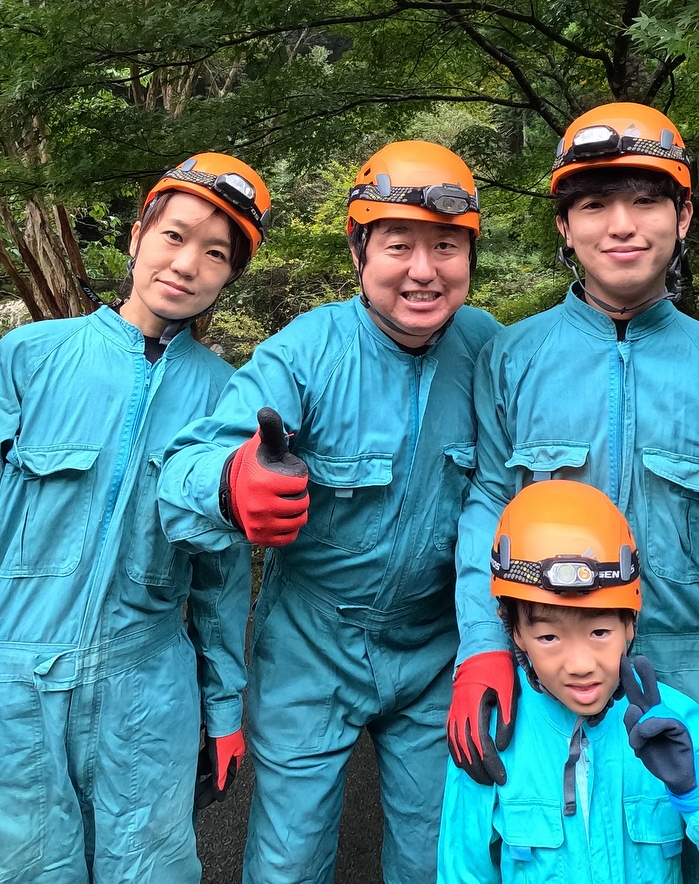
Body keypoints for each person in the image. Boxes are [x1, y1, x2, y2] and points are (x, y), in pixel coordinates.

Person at [0, 154, 270, 884]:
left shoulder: (226, 395)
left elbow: (219, 575)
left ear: (229, 276)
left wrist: (224, 704)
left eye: (216, 254)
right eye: (175, 236)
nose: (187, 264)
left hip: (148, 699)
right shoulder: (30, 357)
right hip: (0, 703)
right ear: (138, 233)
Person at [159, 140, 502, 884]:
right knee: (288, 859)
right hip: (312, 643)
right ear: (358, 250)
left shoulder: (489, 351)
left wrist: (485, 645)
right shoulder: (306, 351)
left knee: (439, 857)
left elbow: (499, 500)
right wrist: (232, 484)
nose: (423, 269)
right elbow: (184, 469)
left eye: (446, 245)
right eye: (399, 244)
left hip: (438, 642)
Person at [450, 103, 699, 812]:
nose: (621, 224)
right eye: (594, 204)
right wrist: (484, 643)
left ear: (683, 216)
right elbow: (488, 505)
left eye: (646, 201)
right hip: (550, 669)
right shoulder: (511, 357)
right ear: (564, 225)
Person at [438, 479, 699, 883]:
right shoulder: (492, 740)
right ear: (514, 632)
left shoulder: (673, 724)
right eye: (549, 637)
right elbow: (462, 871)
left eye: (599, 632)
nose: (580, 664)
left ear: (631, 622)